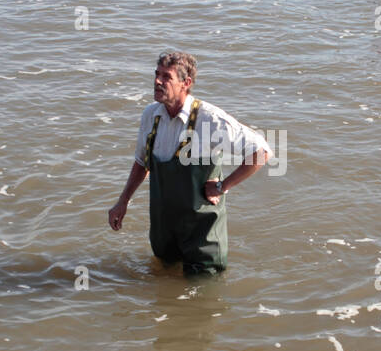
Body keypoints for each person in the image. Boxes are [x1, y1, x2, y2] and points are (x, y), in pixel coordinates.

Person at [108, 52, 272, 274]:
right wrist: (123, 201)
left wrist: (223, 186)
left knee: (203, 296)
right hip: (163, 229)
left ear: (186, 83)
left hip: (202, 235)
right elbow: (142, 163)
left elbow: (261, 152)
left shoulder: (209, 119)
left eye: (166, 77)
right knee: (163, 288)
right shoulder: (151, 115)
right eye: (157, 74)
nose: (157, 81)